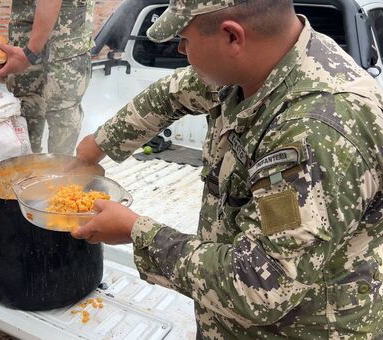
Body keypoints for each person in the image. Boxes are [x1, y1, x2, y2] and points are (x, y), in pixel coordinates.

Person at [70, 0, 383, 338]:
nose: (180, 48)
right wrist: (96, 146)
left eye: (185, 39)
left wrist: (135, 231)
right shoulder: (262, 59)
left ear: (233, 37)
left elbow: (260, 284)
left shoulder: (316, 132)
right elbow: (171, 93)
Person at [0, 0, 94, 155]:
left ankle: (60, 173)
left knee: (62, 110)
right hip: (24, 14)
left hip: (68, 16)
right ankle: (29, 168)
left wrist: (31, 52)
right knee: (24, 105)